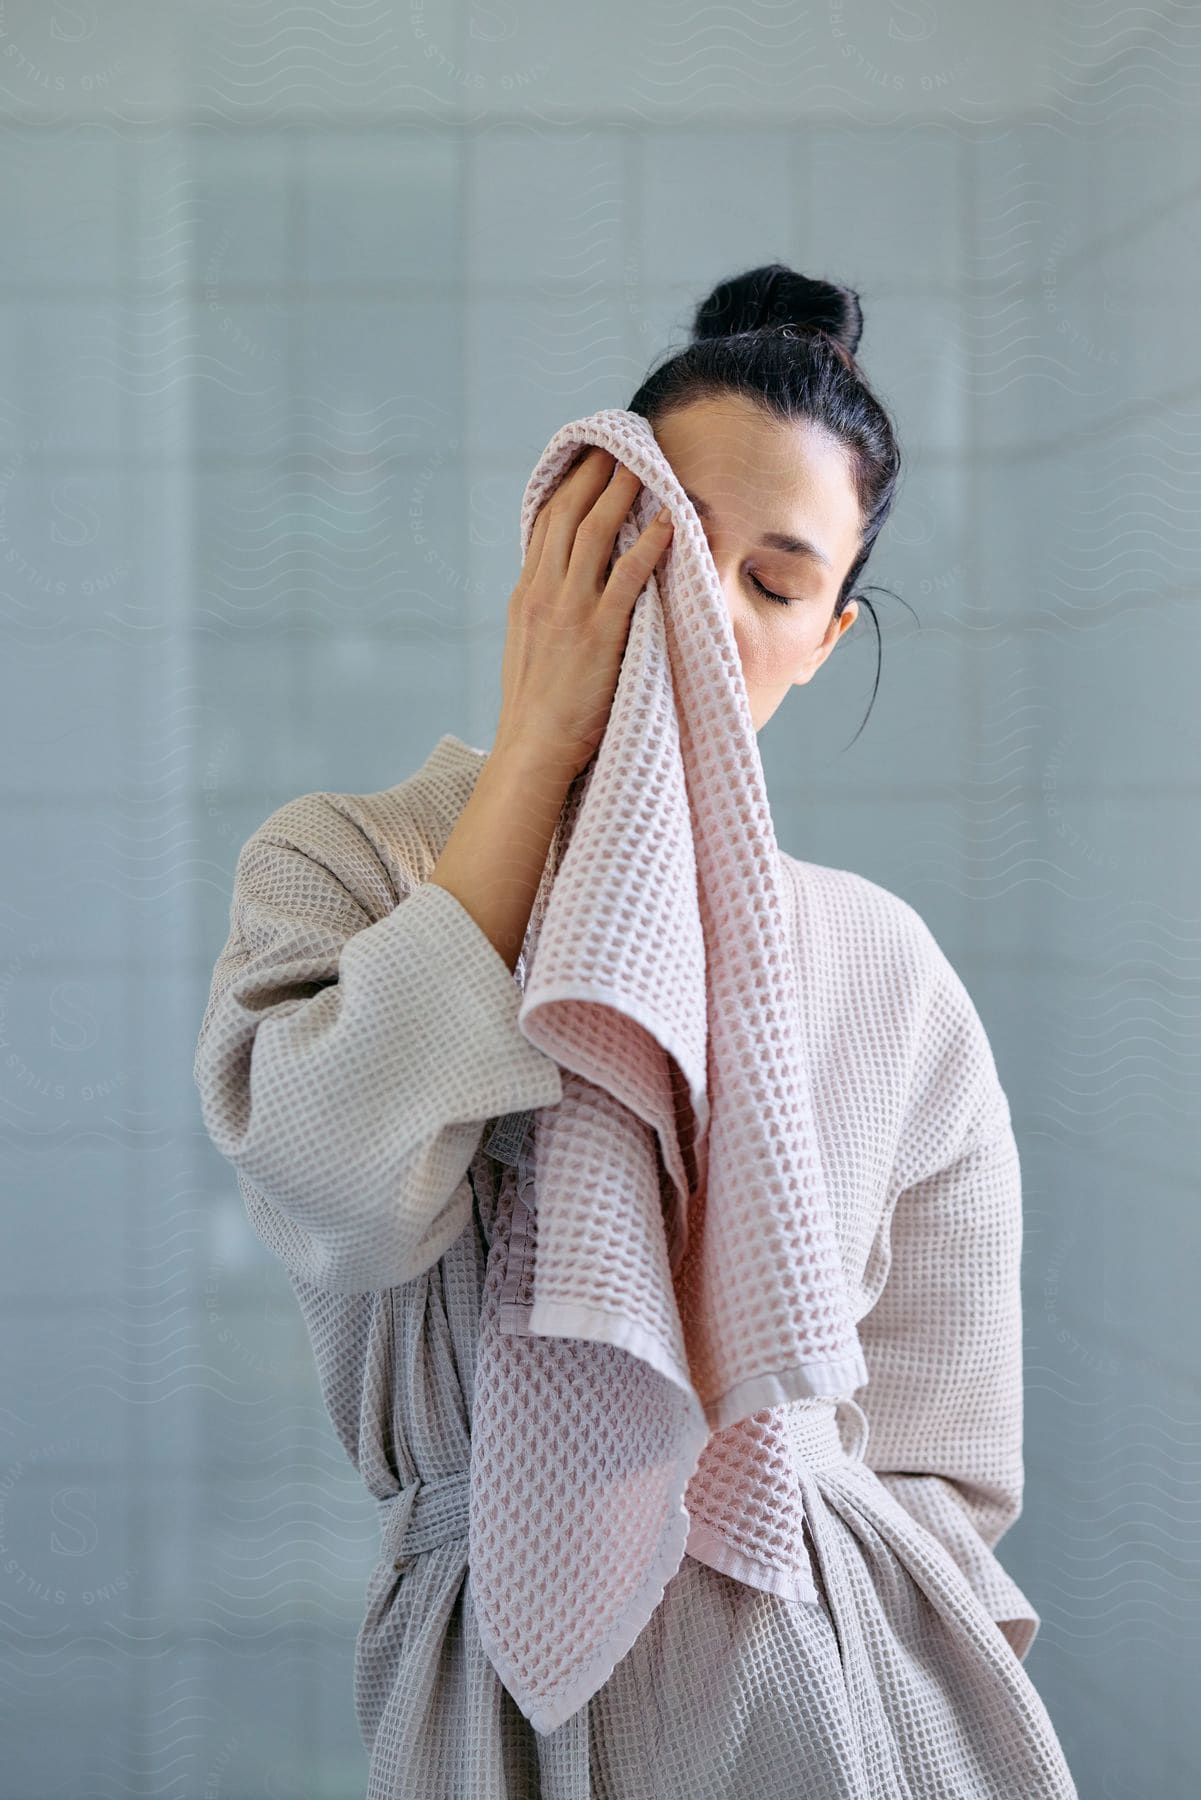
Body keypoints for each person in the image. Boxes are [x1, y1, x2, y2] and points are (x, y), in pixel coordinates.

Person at [193, 263, 1080, 1798]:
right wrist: (536, 749)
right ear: (565, 544)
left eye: (776, 582)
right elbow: (335, 1187)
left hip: (833, 1687)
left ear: (825, 637)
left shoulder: (885, 965)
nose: (703, 608)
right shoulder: (347, 864)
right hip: (498, 1693)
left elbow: (948, 1449)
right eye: (665, 545)